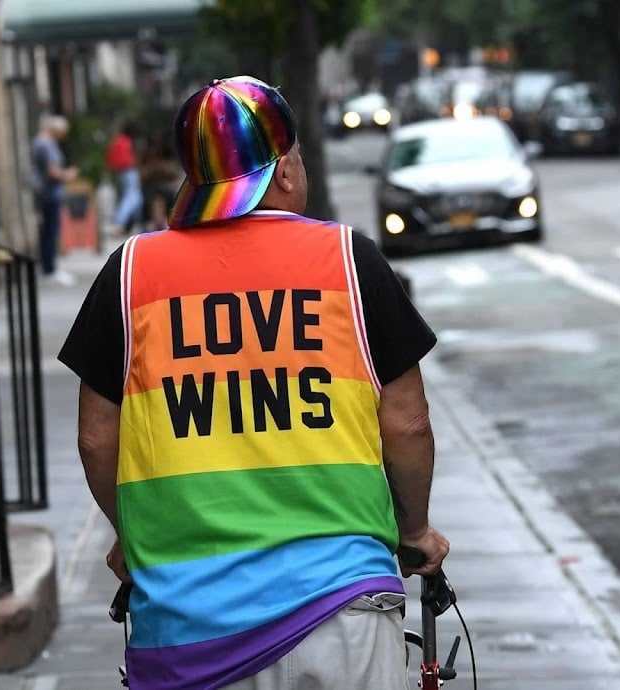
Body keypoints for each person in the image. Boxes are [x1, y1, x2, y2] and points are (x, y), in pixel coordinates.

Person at [58, 75, 449, 690]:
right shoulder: (350, 262)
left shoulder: (129, 273)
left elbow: (95, 439)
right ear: (285, 171)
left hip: (190, 628)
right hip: (344, 611)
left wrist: (130, 538)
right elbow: (409, 424)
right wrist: (415, 530)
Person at [30, 114, 79, 285]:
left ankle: (49, 266)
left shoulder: (42, 143)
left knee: (49, 231)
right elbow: (52, 172)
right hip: (49, 194)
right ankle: (49, 268)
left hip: (48, 194)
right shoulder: (45, 144)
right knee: (50, 231)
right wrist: (68, 175)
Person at [105, 121, 144, 236]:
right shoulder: (126, 142)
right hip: (128, 171)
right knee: (132, 197)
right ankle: (120, 223)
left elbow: (111, 157)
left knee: (136, 198)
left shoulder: (118, 140)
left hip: (121, 172)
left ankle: (133, 223)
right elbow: (127, 159)